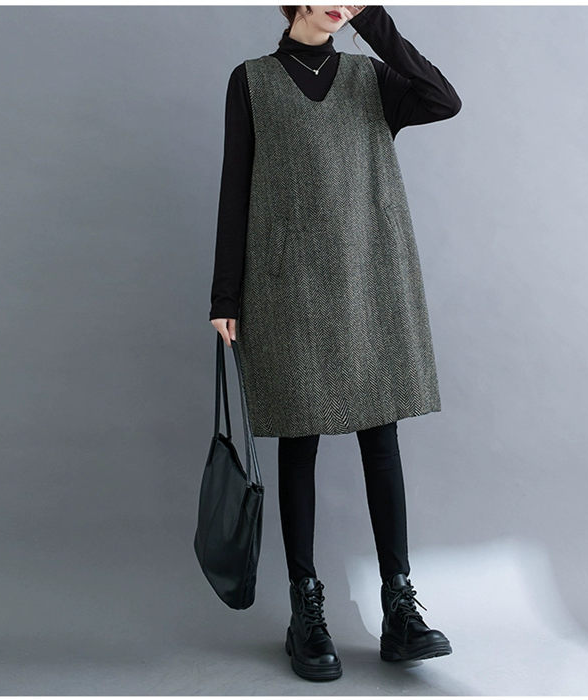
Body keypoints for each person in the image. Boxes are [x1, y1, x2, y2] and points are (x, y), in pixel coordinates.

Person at [209, 4, 461, 682]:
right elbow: (236, 185)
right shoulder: (252, 80)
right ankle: (306, 609)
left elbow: (443, 99)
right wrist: (225, 298)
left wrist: (374, 22)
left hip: (369, 279)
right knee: (299, 439)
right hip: (287, 285)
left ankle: (399, 609)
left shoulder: (371, 77)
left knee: (382, 436)